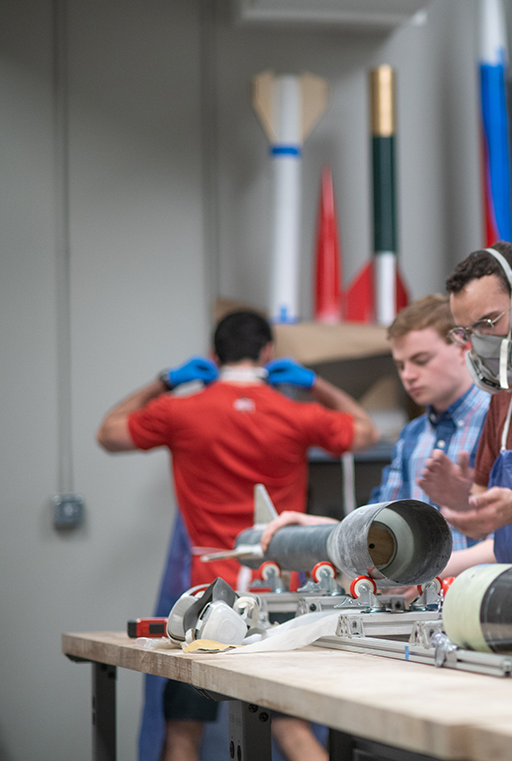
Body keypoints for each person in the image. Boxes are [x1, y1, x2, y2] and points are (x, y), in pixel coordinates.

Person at [96, 310, 378, 761]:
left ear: (213, 355)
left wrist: (165, 381)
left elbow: (108, 433)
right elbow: (366, 431)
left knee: (183, 731)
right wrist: (313, 383)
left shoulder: (178, 411)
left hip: (207, 599)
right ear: (268, 352)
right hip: (276, 593)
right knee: (290, 727)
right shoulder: (294, 412)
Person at [262, 295, 497, 574]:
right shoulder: (412, 436)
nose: (408, 375)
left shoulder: (499, 422)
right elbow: (376, 526)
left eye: (421, 360)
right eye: (400, 365)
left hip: (478, 601)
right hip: (419, 605)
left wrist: (423, 573)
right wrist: (315, 528)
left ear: (463, 348)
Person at [419, 242, 512, 564]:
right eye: (469, 332)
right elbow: (489, 522)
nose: (480, 343)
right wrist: (464, 502)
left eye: (489, 323)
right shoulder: (505, 394)